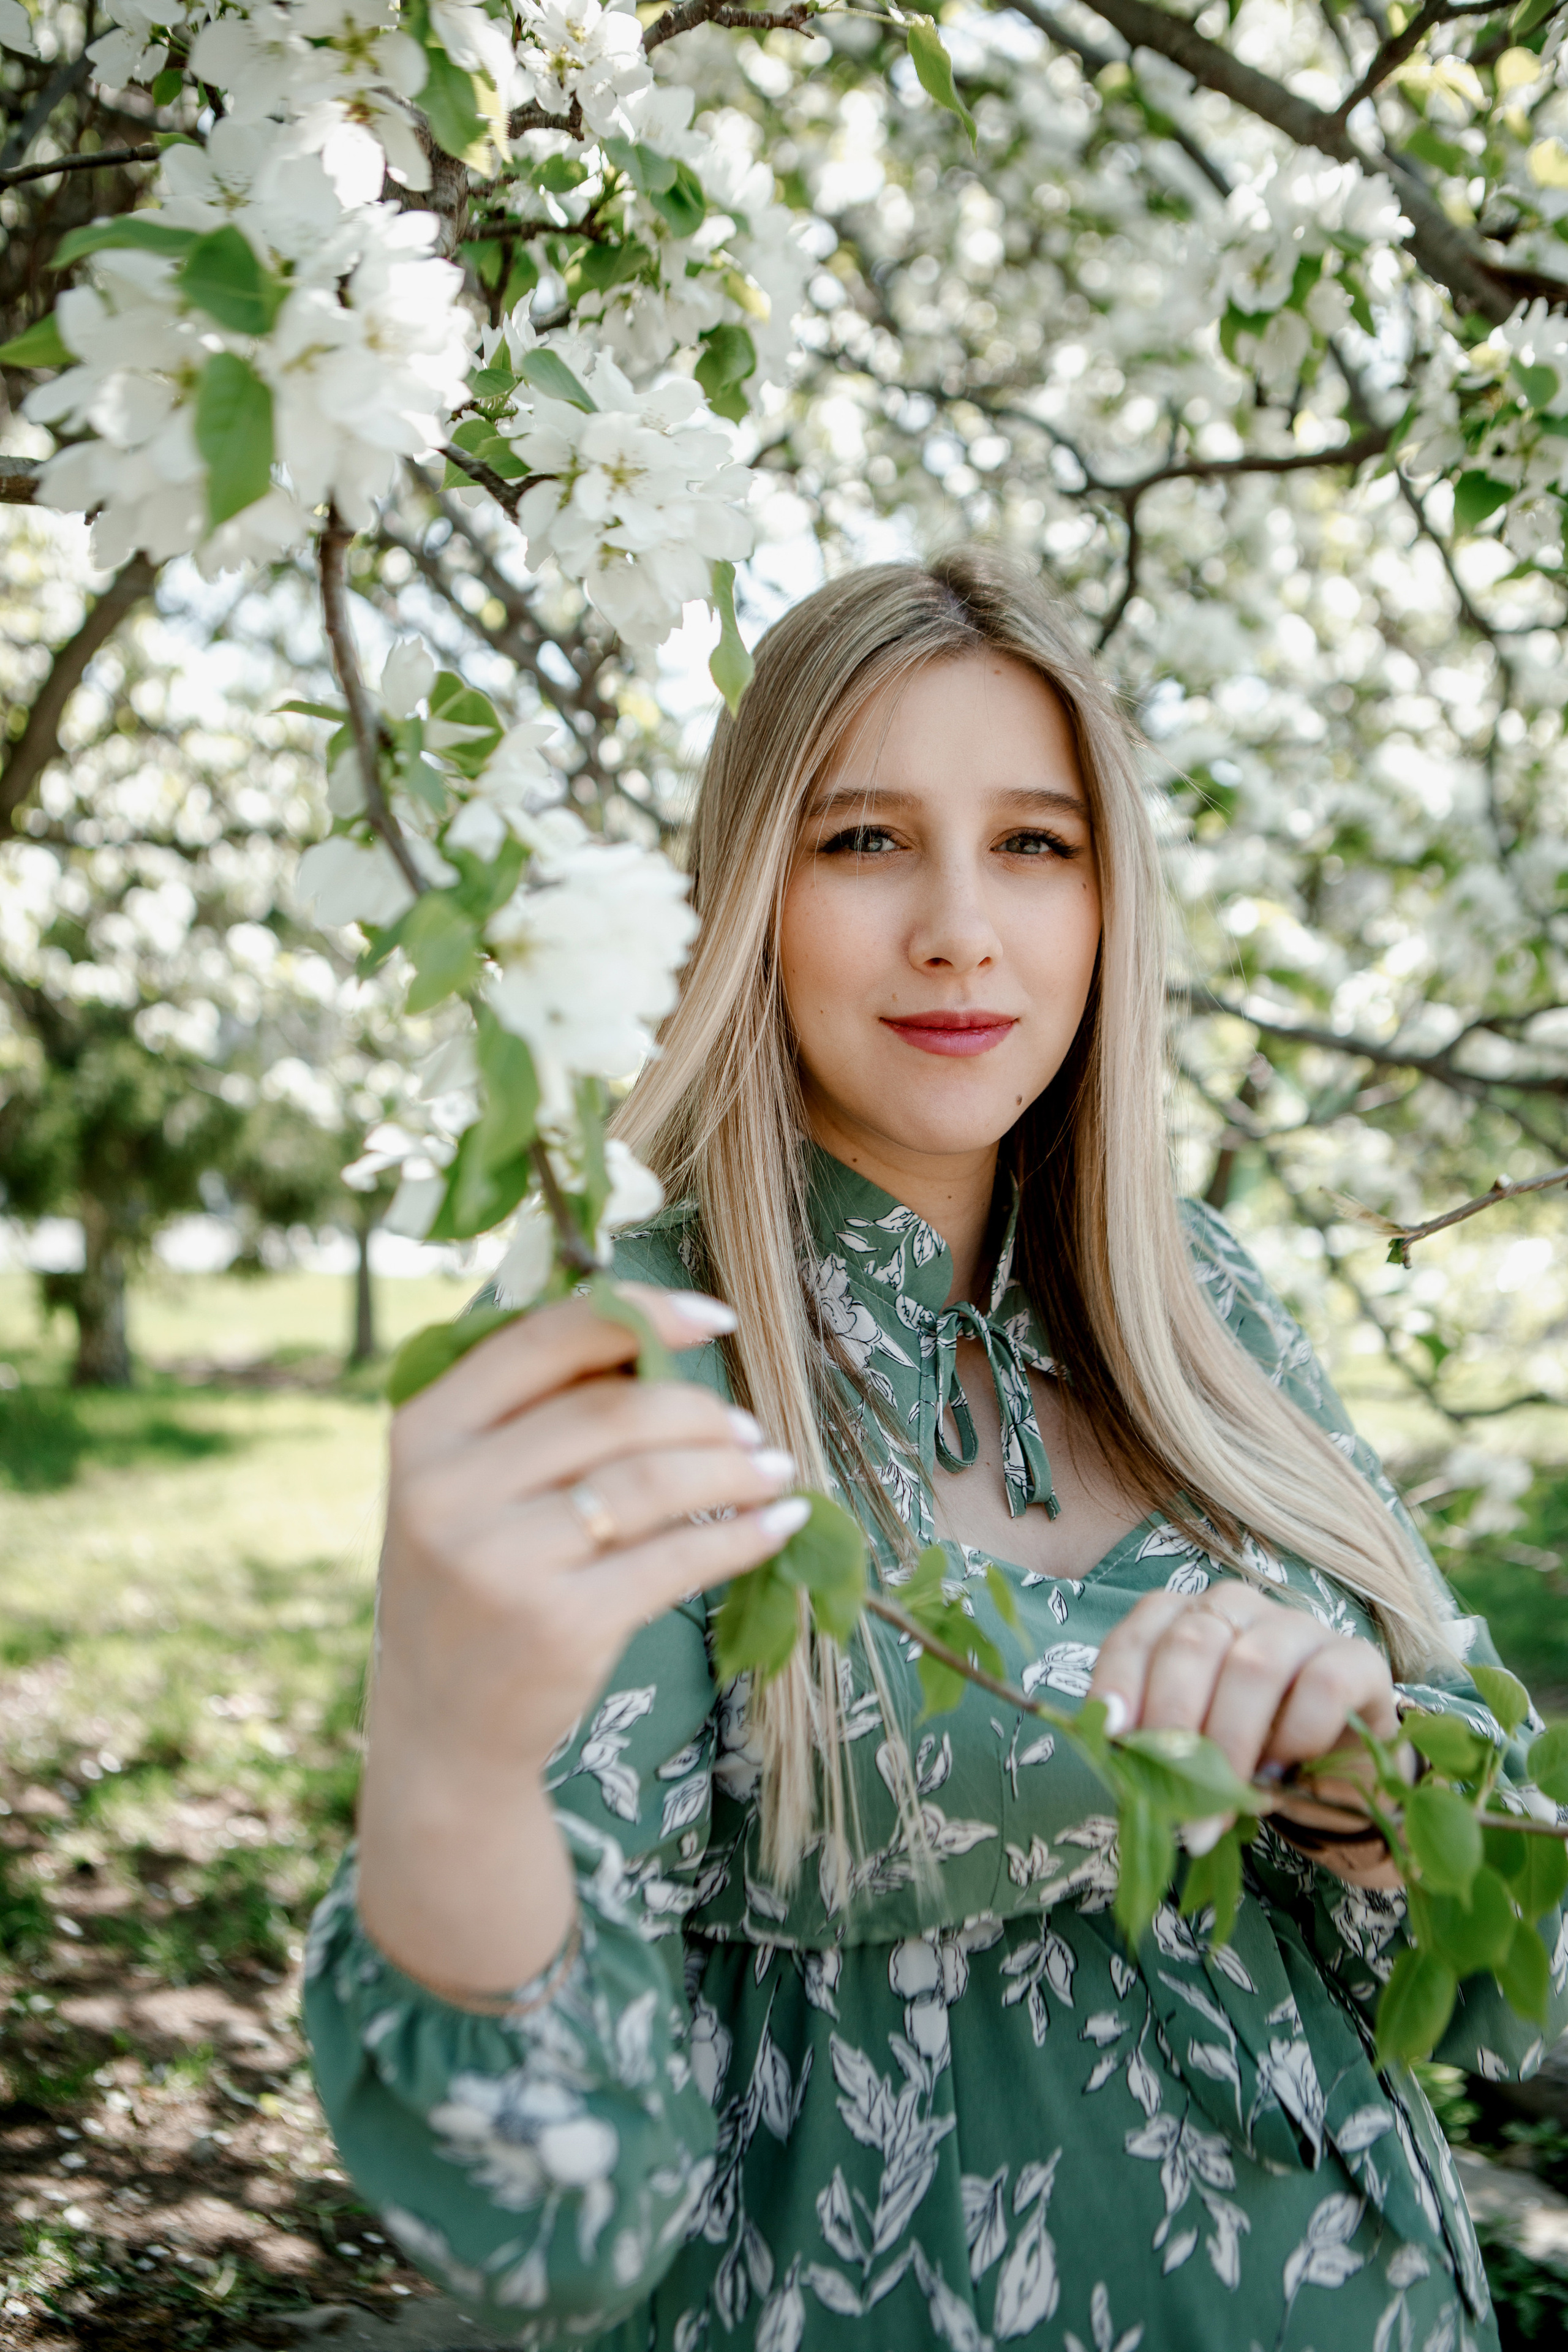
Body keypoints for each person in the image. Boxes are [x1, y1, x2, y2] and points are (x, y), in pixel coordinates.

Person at [305, 551, 1567, 2351]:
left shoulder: (1205, 1302)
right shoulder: (643, 1368)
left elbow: (1525, 1989)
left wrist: (1368, 1798)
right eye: (866, 841)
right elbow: (555, 2221)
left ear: (1109, 903)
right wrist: (441, 1768)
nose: (964, 927)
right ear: (750, 894)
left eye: (1038, 846)